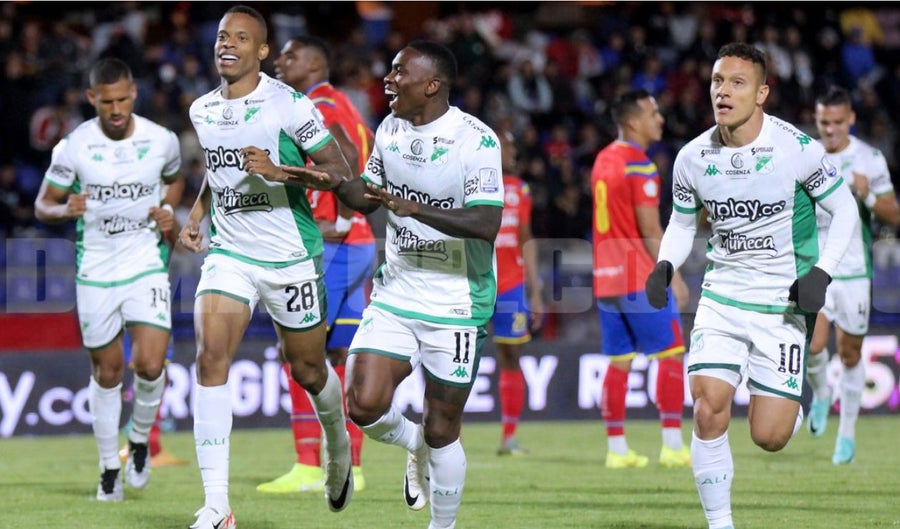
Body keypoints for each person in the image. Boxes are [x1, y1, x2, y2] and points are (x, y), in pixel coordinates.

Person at [281, 39, 504, 529]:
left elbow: (487, 223)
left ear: (432, 85)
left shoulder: (476, 140)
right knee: (362, 403)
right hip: (397, 292)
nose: (388, 79)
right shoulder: (390, 129)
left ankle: (441, 524)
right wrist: (322, 179)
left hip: (457, 302)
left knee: (443, 427)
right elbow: (368, 197)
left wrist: (416, 209)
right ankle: (413, 444)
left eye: (401, 72)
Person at [645, 43, 860, 529]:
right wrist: (665, 265)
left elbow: (844, 209)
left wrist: (821, 274)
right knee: (707, 408)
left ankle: (799, 398)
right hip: (721, 298)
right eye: (718, 81)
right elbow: (682, 223)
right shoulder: (692, 157)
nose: (723, 92)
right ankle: (721, 524)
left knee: (769, 437)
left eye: (737, 83)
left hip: (782, 304)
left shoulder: (797, 149)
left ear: (762, 93)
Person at [177, 6, 355, 528]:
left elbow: (339, 171)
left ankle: (338, 442)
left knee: (308, 369)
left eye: (241, 38)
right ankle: (217, 506)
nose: (227, 44)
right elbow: (219, 170)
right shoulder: (203, 109)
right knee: (210, 357)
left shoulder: (289, 104)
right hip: (230, 254)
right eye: (222, 36)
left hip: (290, 257)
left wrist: (280, 172)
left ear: (261, 51)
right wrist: (197, 214)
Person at [33, 57, 184, 502]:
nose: (116, 109)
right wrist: (65, 209)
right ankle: (107, 468)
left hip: (145, 262)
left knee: (152, 364)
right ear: (91, 98)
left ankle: (138, 441)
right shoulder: (74, 147)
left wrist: (167, 209)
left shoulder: (162, 140)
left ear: (133, 93)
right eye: (106, 102)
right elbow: (43, 203)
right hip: (96, 270)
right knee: (107, 372)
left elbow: (174, 180)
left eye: (122, 100)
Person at [256, 35, 376, 494]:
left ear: (313, 63)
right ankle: (354, 465)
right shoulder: (345, 103)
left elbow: (346, 152)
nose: (280, 61)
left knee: (299, 351)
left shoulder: (317, 105)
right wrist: (355, 219)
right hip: (358, 245)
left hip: (333, 244)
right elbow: (364, 150)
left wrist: (341, 218)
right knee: (341, 354)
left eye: (290, 56)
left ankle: (308, 462)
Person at [590, 88, 692, 470]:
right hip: (638, 276)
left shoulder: (602, 159)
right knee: (671, 354)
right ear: (633, 122)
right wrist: (672, 274)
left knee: (619, 362)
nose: (660, 119)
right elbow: (650, 229)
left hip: (605, 277)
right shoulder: (640, 166)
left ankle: (617, 450)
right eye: (653, 113)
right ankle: (672, 446)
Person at [806, 85, 900, 464]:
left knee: (849, 353)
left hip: (854, 272)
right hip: (815, 268)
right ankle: (821, 393)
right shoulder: (806, 156)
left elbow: (894, 215)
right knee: (812, 345)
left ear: (851, 119)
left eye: (837, 122)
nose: (830, 130)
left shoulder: (869, 158)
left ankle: (846, 435)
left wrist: (868, 196)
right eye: (824, 122)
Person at [492, 129, 544, 456]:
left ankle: (509, 436)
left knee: (511, 356)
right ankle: (451, 433)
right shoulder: (471, 183)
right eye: (506, 147)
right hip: (477, 282)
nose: (512, 153)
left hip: (511, 284)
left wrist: (534, 290)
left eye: (513, 147)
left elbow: (526, 237)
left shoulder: (519, 189)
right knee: (461, 357)